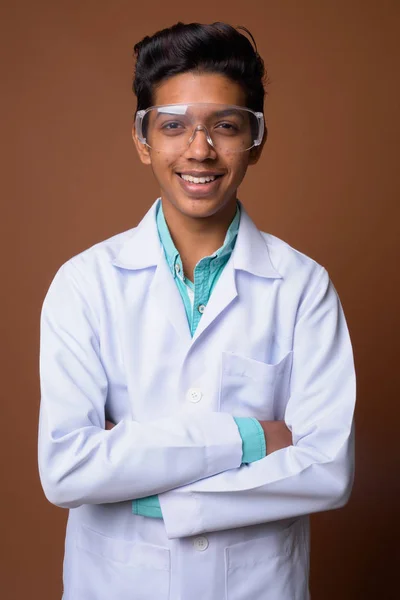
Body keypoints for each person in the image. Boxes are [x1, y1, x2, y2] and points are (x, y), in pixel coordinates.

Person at [38, 21, 356, 600]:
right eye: (174, 126)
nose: (199, 149)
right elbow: (67, 469)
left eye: (225, 126)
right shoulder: (84, 284)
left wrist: (143, 481)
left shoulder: (303, 286)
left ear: (255, 141)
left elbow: (327, 469)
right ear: (143, 141)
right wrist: (251, 440)